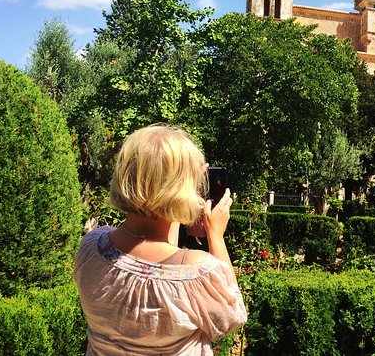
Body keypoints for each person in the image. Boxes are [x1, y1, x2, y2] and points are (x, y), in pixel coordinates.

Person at [73, 125, 247, 355]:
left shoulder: (92, 248)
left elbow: (158, 266)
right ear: (182, 189)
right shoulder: (196, 272)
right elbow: (232, 316)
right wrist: (216, 236)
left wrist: (174, 210)